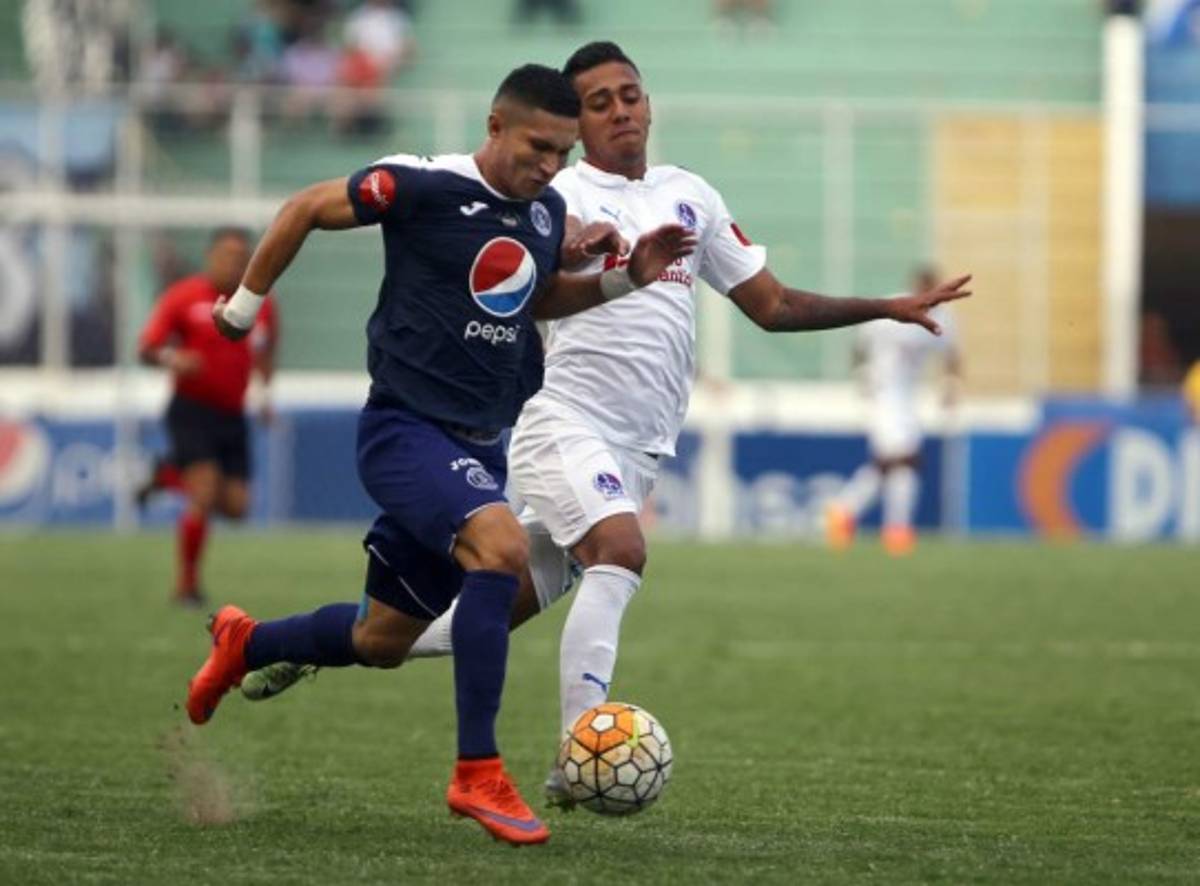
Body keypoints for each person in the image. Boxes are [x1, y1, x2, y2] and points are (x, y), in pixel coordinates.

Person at [182, 63, 696, 846]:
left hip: (478, 447)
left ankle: (246, 642)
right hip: (404, 430)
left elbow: (538, 296)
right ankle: (477, 772)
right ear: (495, 128)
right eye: (537, 147)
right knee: (499, 551)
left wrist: (624, 278)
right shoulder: (420, 184)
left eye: (561, 153)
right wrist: (244, 309)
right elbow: (304, 207)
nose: (550, 167)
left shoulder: (545, 210)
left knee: (380, 640)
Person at [137, 227, 278, 606]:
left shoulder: (260, 303)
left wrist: (265, 395)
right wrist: (174, 358)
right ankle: (187, 586)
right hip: (191, 410)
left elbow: (266, 351)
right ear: (210, 256)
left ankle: (166, 475)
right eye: (226, 254)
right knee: (203, 491)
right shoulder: (183, 297)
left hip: (233, 414)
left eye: (240, 256)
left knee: (236, 507)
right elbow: (147, 347)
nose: (233, 262)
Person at [825, 266, 962, 556]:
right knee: (905, 458)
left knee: (891, 463)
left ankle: (843, 511)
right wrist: (861, 373)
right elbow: (860, 343)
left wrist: (950, 386)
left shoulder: (943, 317)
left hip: (908, 397)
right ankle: (896, 530)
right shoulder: (893, 309)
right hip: (882, 393)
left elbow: (952, 354)